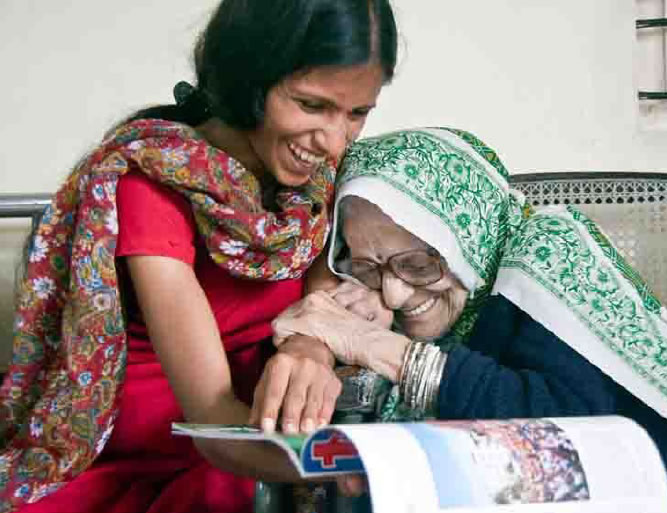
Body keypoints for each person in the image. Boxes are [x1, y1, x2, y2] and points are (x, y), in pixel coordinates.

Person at [0, 1, 397, 511]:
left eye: (358, 113)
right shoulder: (153, 186)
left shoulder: (322, 184)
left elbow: (320, 305)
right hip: (175, 449)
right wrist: (351, 463)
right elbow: (212, 419)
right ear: (249, 79)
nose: (335, 142)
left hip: (263, 431)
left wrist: (308, 348)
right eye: (312, 105)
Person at [272, 128, 667, 512]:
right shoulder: (429, 305)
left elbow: (570, 434)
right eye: (371, 266)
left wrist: (380, 349)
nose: (397, 293)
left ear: (466, 237)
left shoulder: (549, 255)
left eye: (419, 263)